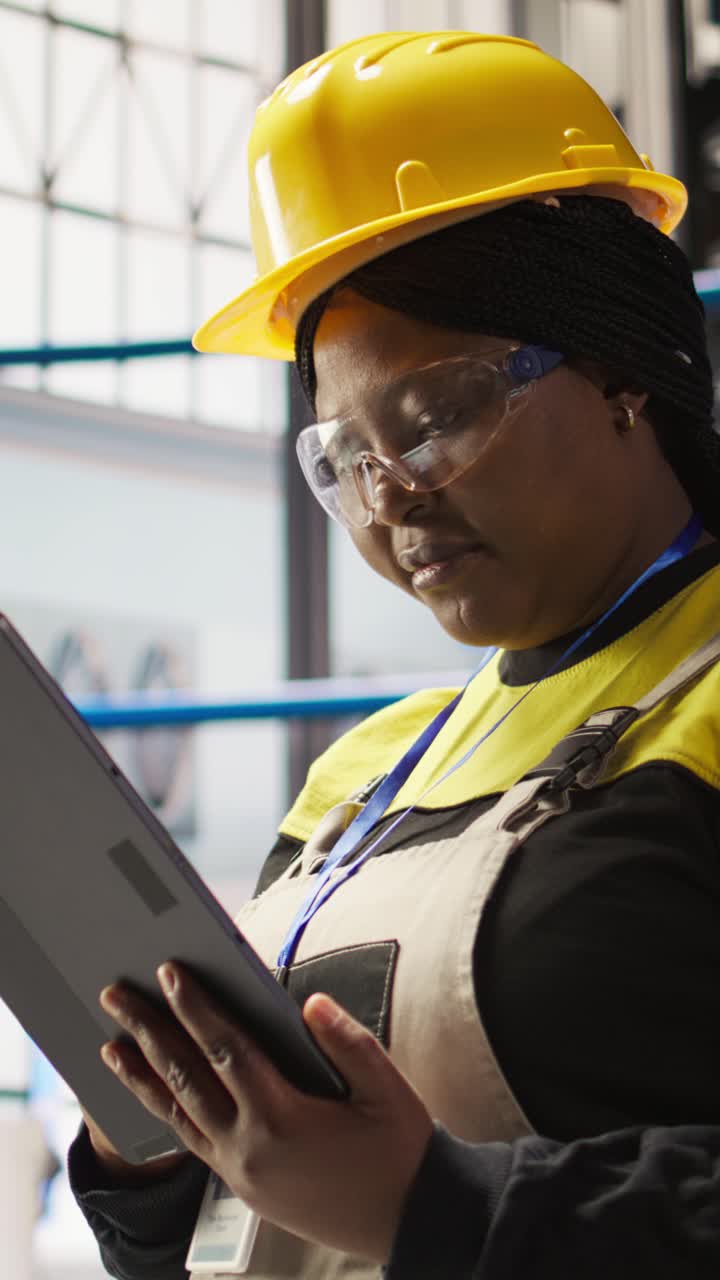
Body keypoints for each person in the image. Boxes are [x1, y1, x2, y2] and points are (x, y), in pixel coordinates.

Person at [68, 30, 720, 1279]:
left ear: (621, 366)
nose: (391, 498)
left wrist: (446, 1205)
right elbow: (249, 1238)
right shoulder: (358, 783)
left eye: (437, 417)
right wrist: (154, 1157)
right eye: (345, 457)